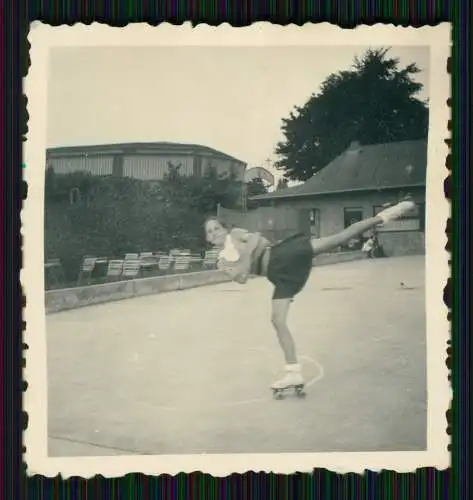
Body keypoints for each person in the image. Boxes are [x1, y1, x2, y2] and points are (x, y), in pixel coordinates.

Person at [204, 199, 416, 391]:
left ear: (224, 228)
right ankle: (293, 372)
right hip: (279, 276)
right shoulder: (222, 260)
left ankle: (385, 216)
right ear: (207, 238)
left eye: (216, 228)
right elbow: (241, 278)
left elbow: (259, 239)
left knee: (339, 237)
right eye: (210, 232)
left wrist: (244, 263)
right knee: (277, 320)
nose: (214, 233)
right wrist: (243, 265)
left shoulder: (235, 234)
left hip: (285, 254)